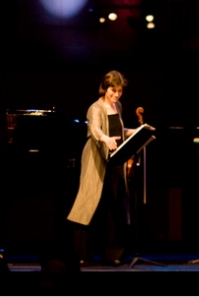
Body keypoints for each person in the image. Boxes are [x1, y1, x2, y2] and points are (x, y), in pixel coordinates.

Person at [67, 70, 135, 266]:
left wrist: (134, 131)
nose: (116, 95)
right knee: (89, 205)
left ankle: (112, 253)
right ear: (105, 89)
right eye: (113, 91)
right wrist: (104, 138)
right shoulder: (95, 108)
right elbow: (96, 129)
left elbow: (118, 130)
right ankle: (82, 254)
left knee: (115, 205)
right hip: (96, 159)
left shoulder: (118, 106)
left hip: (115, 160)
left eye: (119, 91)